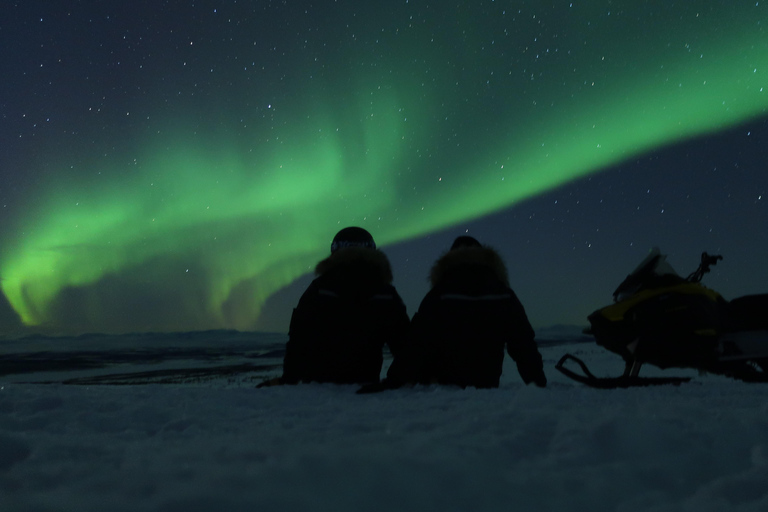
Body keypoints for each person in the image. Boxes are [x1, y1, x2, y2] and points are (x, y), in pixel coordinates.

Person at [386, 235, 546, 389]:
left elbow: (417, 341)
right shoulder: (503, 294)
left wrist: (395, 380)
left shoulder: (440, 293)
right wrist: (537, 382)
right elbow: (523, 343)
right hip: (487, 386)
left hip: (444, 389)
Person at [261, 227, 409, 386]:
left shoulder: (320, 288)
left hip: (318, 387)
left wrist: (290, 379)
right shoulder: (384, 293)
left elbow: (299, 339)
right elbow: (405, 344)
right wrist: (397, 380)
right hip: (364, 384)